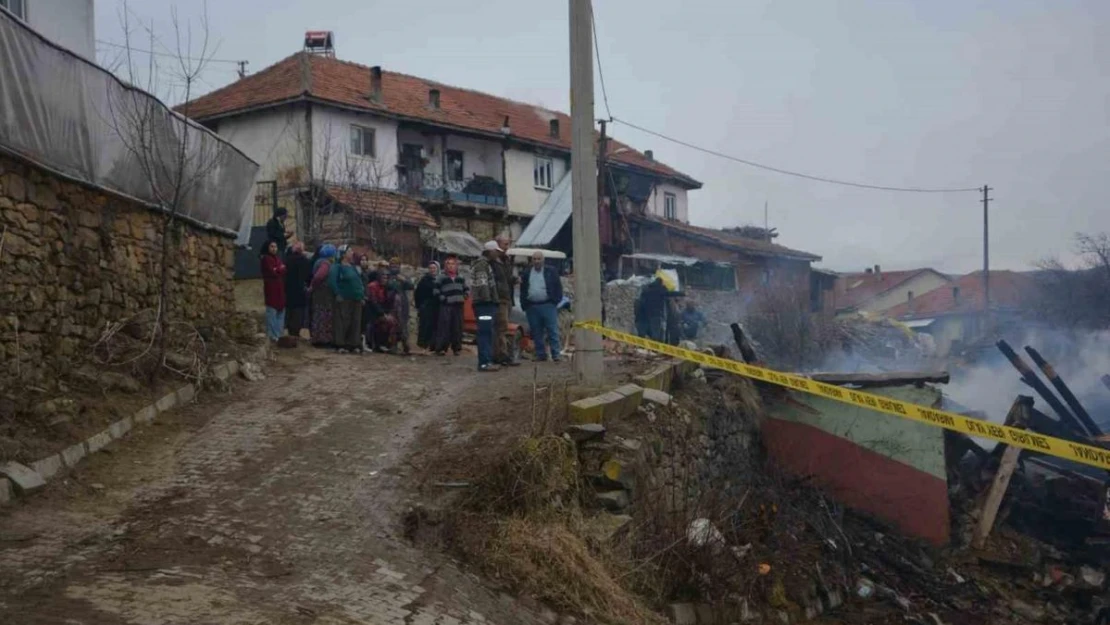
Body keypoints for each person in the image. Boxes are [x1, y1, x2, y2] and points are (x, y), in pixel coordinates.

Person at [520, 251, 564, 362]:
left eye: (539, 259)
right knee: (536, 331)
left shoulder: (551, 271)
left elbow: (558, 287)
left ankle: (556, 354)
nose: (536, 261)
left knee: (552, 330)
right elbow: (523, 289)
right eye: (534, 259)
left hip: (548, 305)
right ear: (531, 260)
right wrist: (524, 304)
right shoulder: (527, 273)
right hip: (532, 306)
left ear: (543, 260)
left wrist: (555, 301)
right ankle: (540, 354)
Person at [328, 245, 366, 353]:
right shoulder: (337, 267)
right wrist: (337, 294)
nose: (352, 252)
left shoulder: (353, 267)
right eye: (349, 251)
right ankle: (340, 344)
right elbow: (332, 281)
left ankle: (353, 344)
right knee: (342, 321)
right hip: (344, 298)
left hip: (356, 298)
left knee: (355, 321)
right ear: (343, 254)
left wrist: (361, 295)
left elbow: (358, 282)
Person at [470, 242, 501, 372]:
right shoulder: (482, 265)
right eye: (496, 251)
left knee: (486, 332)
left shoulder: (484, 264)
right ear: (490, 251)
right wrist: (489, 300)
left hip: (484, 304)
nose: (498, 253)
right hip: (484, 305)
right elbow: (483, 286)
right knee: (485, 333)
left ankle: (486, 361)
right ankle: (484, 363)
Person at [433, 255, 467, 356]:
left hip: (458, 306)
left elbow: (466, 288)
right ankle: (441, 348)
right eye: (448, 264)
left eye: (453, 264)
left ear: (456, 266)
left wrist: (465, 296)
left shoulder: (460, 278)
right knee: (444, 327)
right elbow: (435, 290)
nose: (451, 266)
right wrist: (443, 298)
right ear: (445, 266)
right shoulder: (441, 277)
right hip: (446, 306)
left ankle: (456, 348)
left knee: (457, 327)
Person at [308, 244, 337, 347]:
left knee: (319, 315)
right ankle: (323, 340)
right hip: (323, 293)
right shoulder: (325, 263)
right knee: (324, 316)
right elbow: (319, 276)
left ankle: (318, 339)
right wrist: (314, 286)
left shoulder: (319, 261)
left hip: (319, 292)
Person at [385, 257, 414, 355]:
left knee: (403, 325)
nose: (394, 266)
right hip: (391, 303)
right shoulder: (387, 276)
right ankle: (393, 345)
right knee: (393, 325)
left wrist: (403, 280)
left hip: (402, 304)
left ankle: (406, 345)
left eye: (396, 264)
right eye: (392, 264)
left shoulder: (402, 276)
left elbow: (411, 286)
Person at [260, 241, 287, 342]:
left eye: (275, 246)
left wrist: (278, 269)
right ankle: (272, 336)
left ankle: (279, 335)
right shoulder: (266, 259)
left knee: (280, 312)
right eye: (272, 246)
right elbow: (273, 272)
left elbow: (283, 269)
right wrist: (279, 269)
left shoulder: (277, 258)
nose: (274, 249)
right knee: (272, 312)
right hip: (271, 289)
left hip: (279, 289)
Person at [283, 242, 311, 338]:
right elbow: (308, 276)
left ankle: (289, 329)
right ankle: (295, 331)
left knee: (289, 309)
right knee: (298, 312)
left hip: (288, 288)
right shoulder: (305, 261)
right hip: (300, 289)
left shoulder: (286, 260)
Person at [366, 270, 395, 352]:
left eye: (386, 278)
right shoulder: (372, 286)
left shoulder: (385, 287)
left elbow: (386, 302)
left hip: (380, 310)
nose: (384, 280)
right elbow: (373, 302)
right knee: (385, 322)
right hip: (371, 311)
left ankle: (385, 344)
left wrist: (387, 313)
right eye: (383, 277)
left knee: (392, 321)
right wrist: (383, 314)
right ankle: (376, 344)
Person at [414, 261, 440, 351]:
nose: (432, 270)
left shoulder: (440, 280)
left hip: (437, 307)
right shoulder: (424, 280)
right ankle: (423, 344)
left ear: (437, 269)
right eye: (431, 268)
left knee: (435, 326)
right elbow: (417, 293)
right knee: (425, 325)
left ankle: (433, 345)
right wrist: (419, 306)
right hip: (426, 306)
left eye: (434, 268)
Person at [640, 277, 669, 343]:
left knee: (649, 332)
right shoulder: (661, 290)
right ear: (661, 283)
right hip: (657, 314)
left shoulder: (648, 289)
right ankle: (654, 348)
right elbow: (668, 293)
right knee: (656, 333)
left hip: (647, 314)